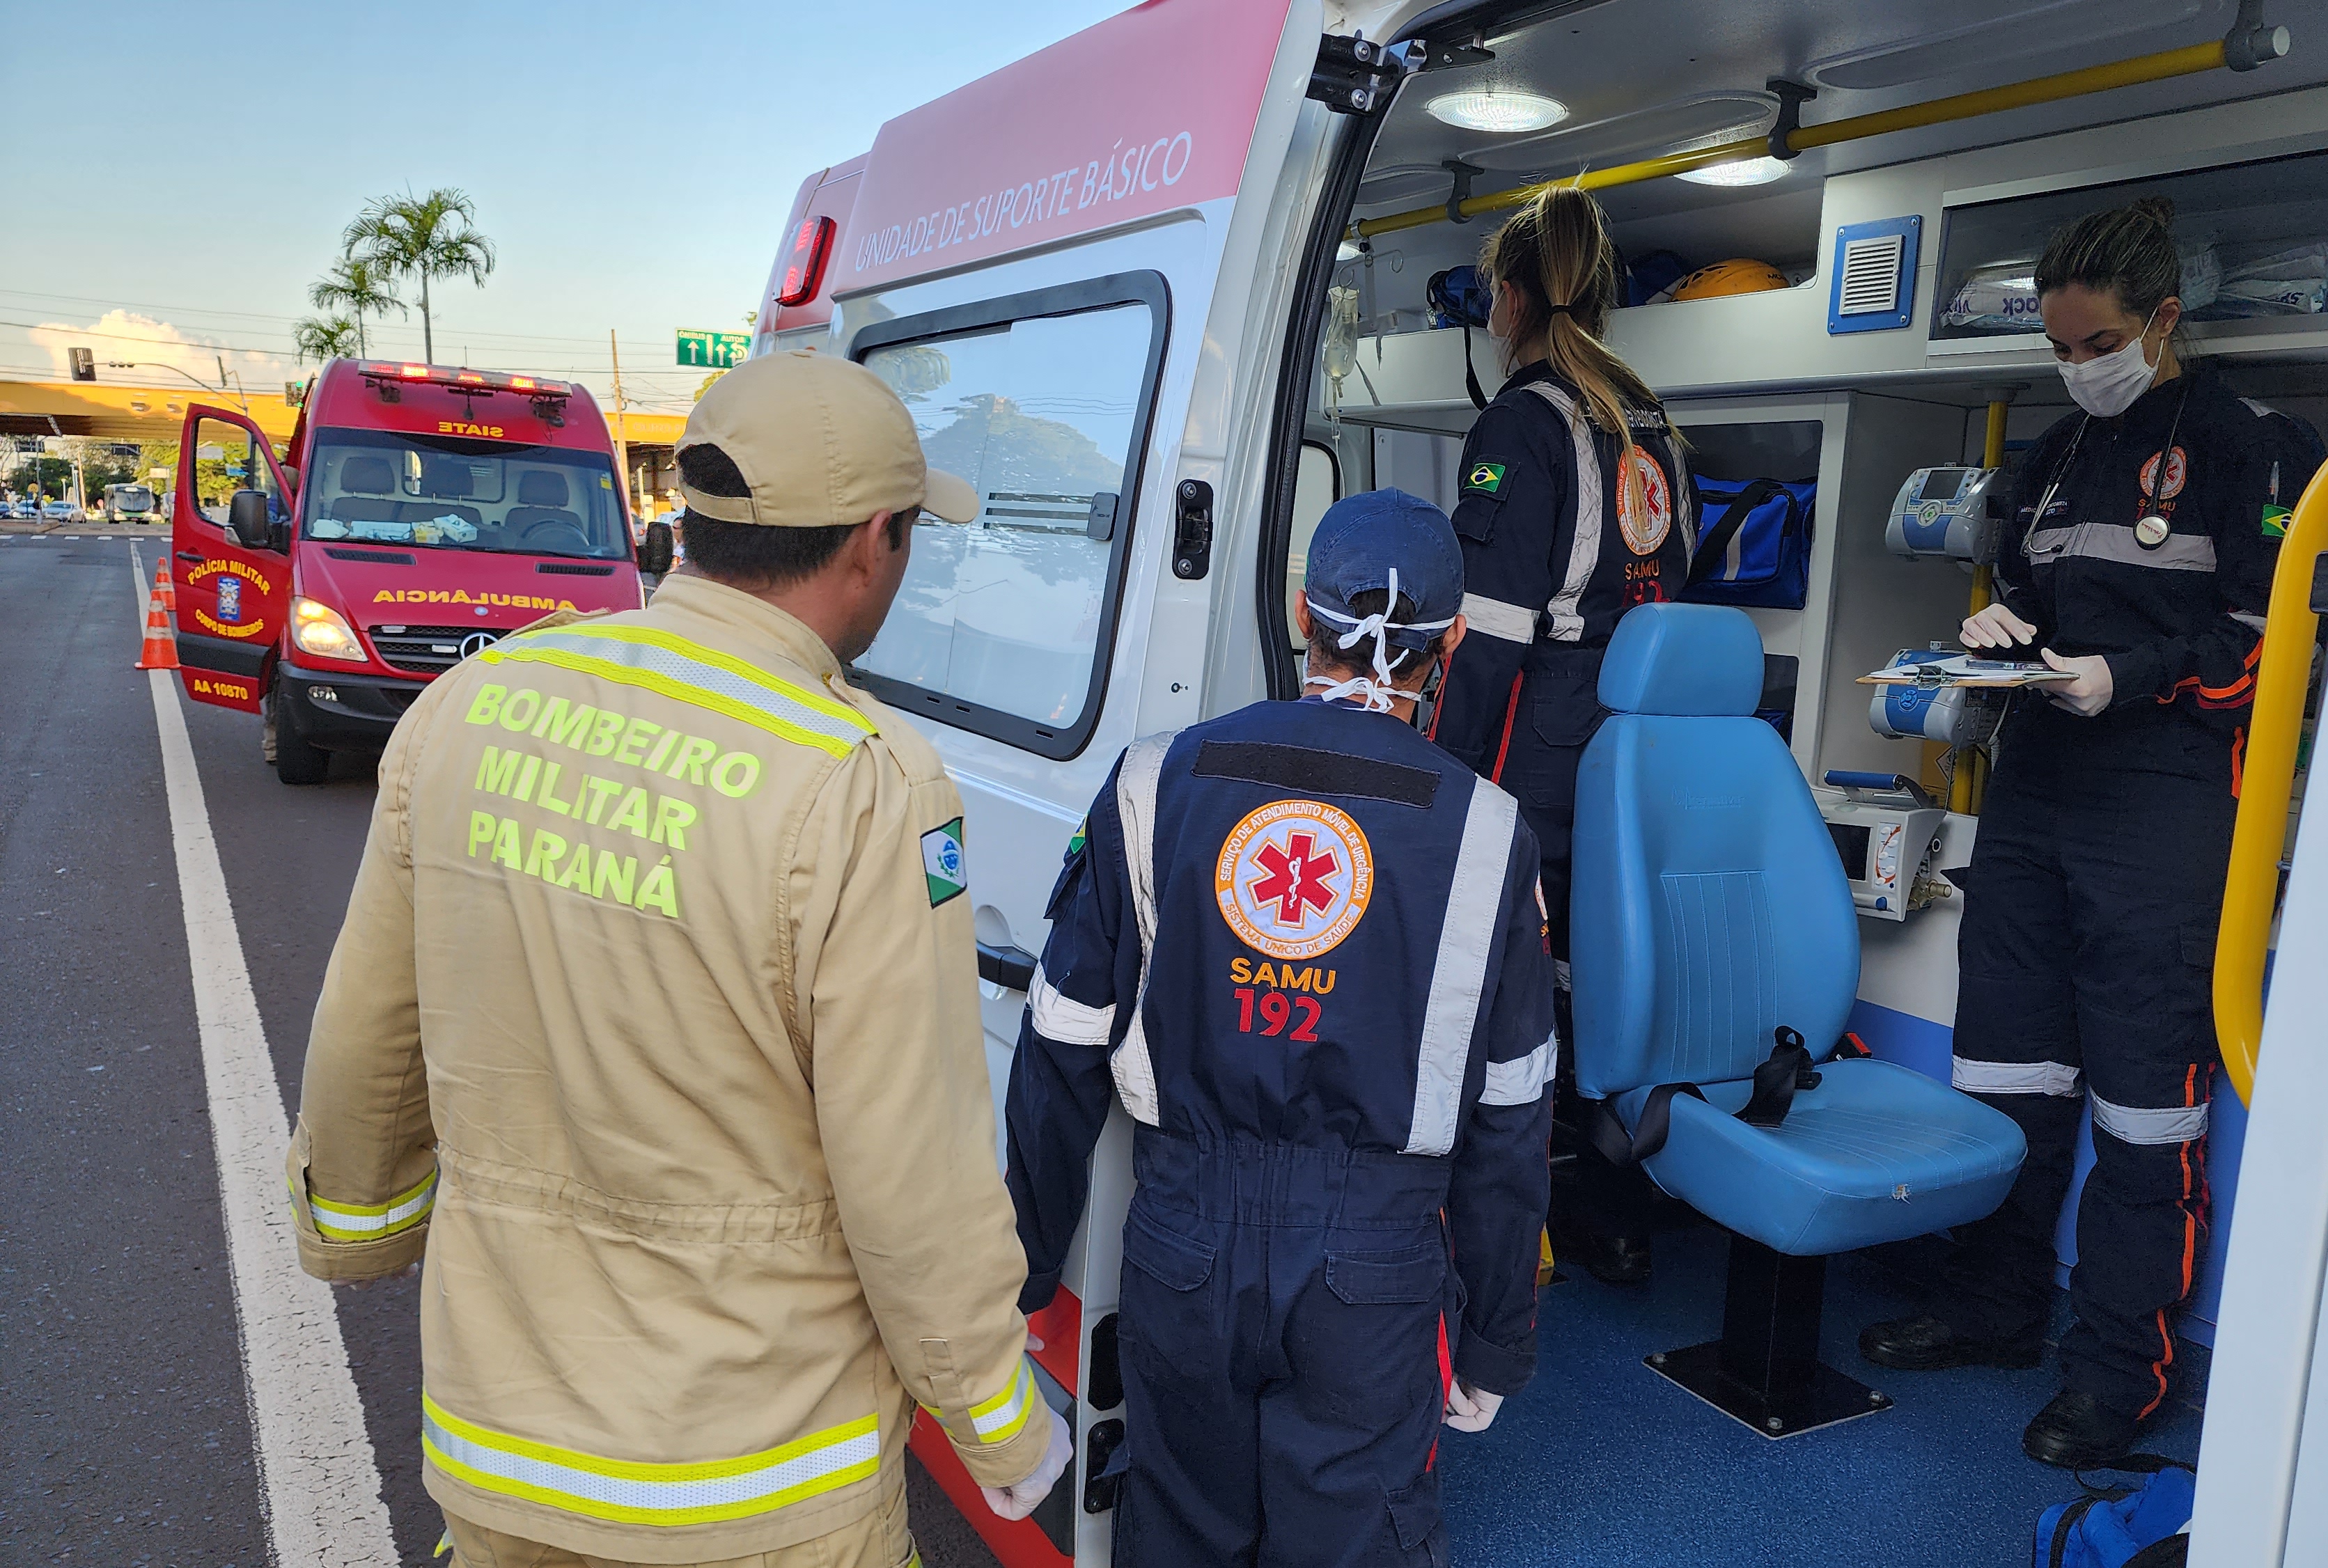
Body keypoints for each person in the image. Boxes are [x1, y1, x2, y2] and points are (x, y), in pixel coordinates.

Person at [284, 349, 1069, 1567]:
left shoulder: (477, 703)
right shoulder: (865, 782)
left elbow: (368, 1037)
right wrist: (1002, 1427)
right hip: (758, 1482)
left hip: (503, 1454)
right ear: (875, 540)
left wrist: (360, 1216)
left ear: (696, 520)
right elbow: (914, 1172)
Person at [1857, 196, 2325, 1468]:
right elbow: (2020, 592)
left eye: (2099, 341)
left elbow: (2271, 645)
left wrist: (2138, 676)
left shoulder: (2250, 449)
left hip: (2163, 815)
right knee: (2008, 1077)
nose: (2079, 367)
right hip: (2036, 799)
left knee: (2141, 1112)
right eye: (2060, 349)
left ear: (2163, 320)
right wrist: (1993, 634)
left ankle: (2122, 1374)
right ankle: (1996, 1306)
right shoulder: (2054, 457)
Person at [1005, 489, 1556, 1567]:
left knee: (1176, 1519)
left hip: (1182, 1239)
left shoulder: (1153, 782)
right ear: (1451, 639)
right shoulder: (1490, 833)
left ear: (1305, 617)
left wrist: (1023, 1269)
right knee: (1355, 1534)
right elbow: (1510, 1112)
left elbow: (1062, 1043)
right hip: (1374, 1264)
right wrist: (1497, 1337)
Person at [1426, 183, 1698, 1287]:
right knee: (1606, 970)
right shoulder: (1656, 425)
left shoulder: (1522, 424)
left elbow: (1486, 632)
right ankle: (1613, 1208)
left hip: (1538, 724)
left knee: (1505, 972)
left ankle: (1501, 1219)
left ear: (1513, 297)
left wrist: (1435, 777)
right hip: (1639, 735)